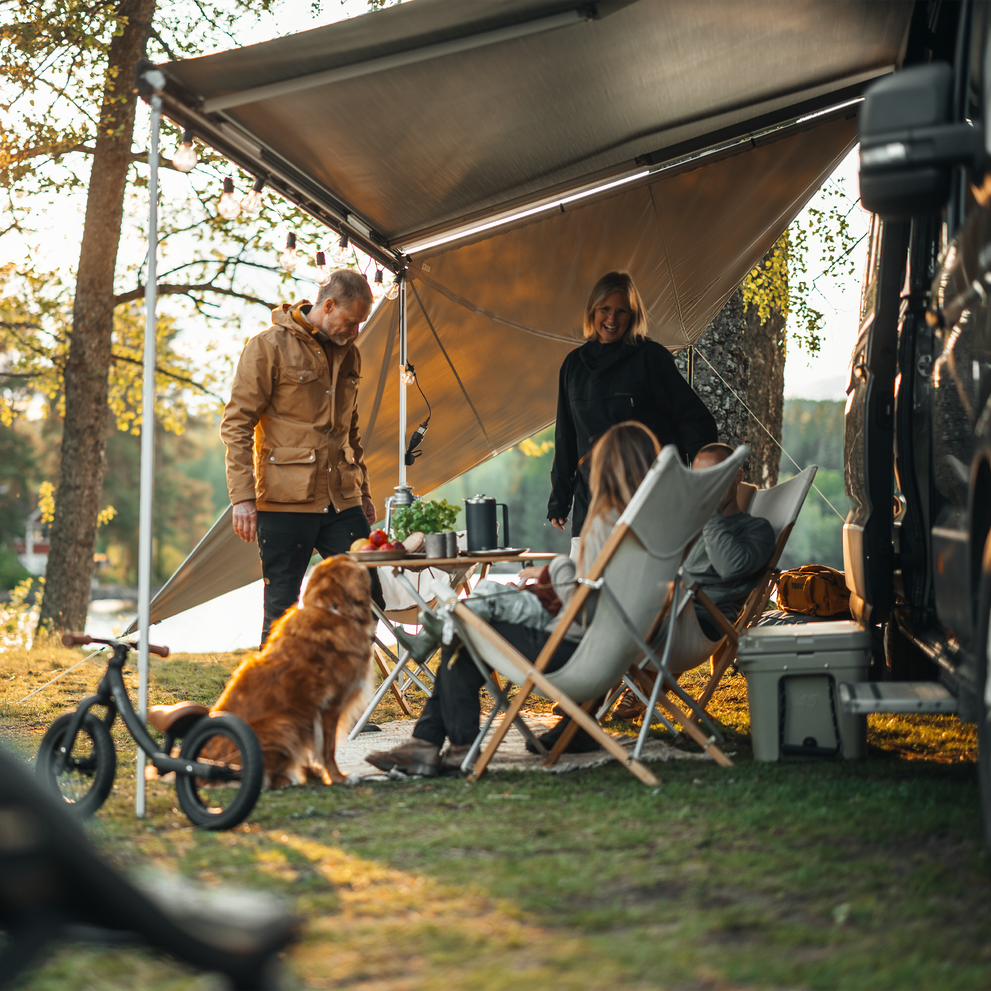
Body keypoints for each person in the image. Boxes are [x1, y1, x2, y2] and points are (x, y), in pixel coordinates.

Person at [366, 421, 662, 777]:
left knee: (466, 626)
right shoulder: (655, 528)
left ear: (609, 470)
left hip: (573, 650)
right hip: (615, 651)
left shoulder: (606, 524)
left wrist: (560, 569)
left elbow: (583, 608)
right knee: (469, 621)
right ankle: (432, 744)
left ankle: (442, 745)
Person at [221, 269, 381, 646]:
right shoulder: (268, 346)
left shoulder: (350, 354)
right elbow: (236, 424)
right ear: (328, 305)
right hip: (283, 500)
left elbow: (350, 431)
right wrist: (242, 498)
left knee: (369, 595)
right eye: (351, 321)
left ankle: (328, 686)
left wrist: (364, 491)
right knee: (281, 611)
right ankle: (271, 701)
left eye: (361, 323)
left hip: (342, 499)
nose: (356, 331)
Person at [547, 271, 717, 552]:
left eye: (621, 312)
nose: (612, 320)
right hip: (593, 500)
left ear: (633, 316)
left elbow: (693, 418)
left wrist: (702, 479)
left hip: (651, 496)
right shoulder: (573, 366)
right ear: (593, 310)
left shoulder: (651, 358)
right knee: (587, 585)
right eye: (605, 310)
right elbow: (566, 436)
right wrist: (560, 499)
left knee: (645, 583)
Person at [613, 441, 777, 720]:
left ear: (737, 475)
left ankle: (621, 689)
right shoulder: (689, 525)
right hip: (666, 610)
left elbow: (729, 567)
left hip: (702, 621)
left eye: (716, 476)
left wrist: (709, 510)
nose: (707, 485)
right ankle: (618, 686)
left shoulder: (756, 529)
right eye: (701, 478)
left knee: (630, 616)